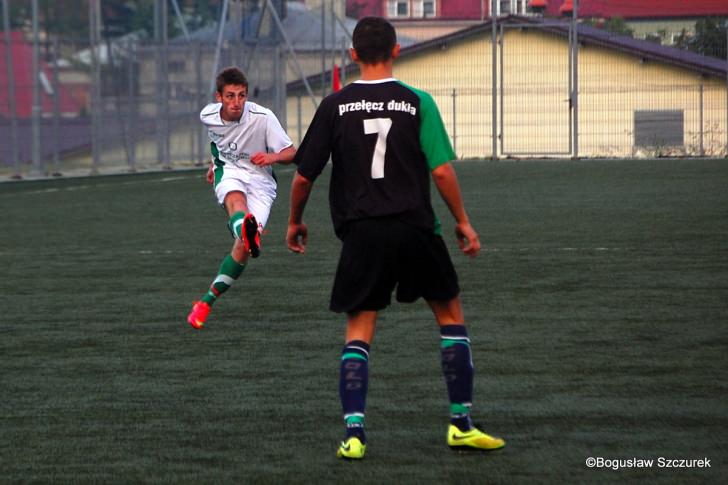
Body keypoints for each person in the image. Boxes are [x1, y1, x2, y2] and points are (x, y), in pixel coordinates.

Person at [286, 17, 505, 459]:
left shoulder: (335, 104)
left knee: (359, 330)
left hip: (363, 233)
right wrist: (463, 221)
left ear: (352, 56)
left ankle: (353, 434)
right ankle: (461, 424)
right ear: (397, 50)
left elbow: (304, 176)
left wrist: (295, 221)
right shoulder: (417, 101)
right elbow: (441, 170)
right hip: (416, 228)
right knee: (450, 317)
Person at [187, 67, 296, 329]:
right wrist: (215, 165)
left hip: (261, 181)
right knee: (236, 202)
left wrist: (271, 157)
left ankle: (206, 301)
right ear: (219, 97)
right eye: (230, 96)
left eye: (242, 96)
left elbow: (291, 152)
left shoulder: (263, 117)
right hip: (231, 172)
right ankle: (246, 229)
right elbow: (218, 143)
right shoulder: (207, 115)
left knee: (243, 248)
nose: (236, 103)